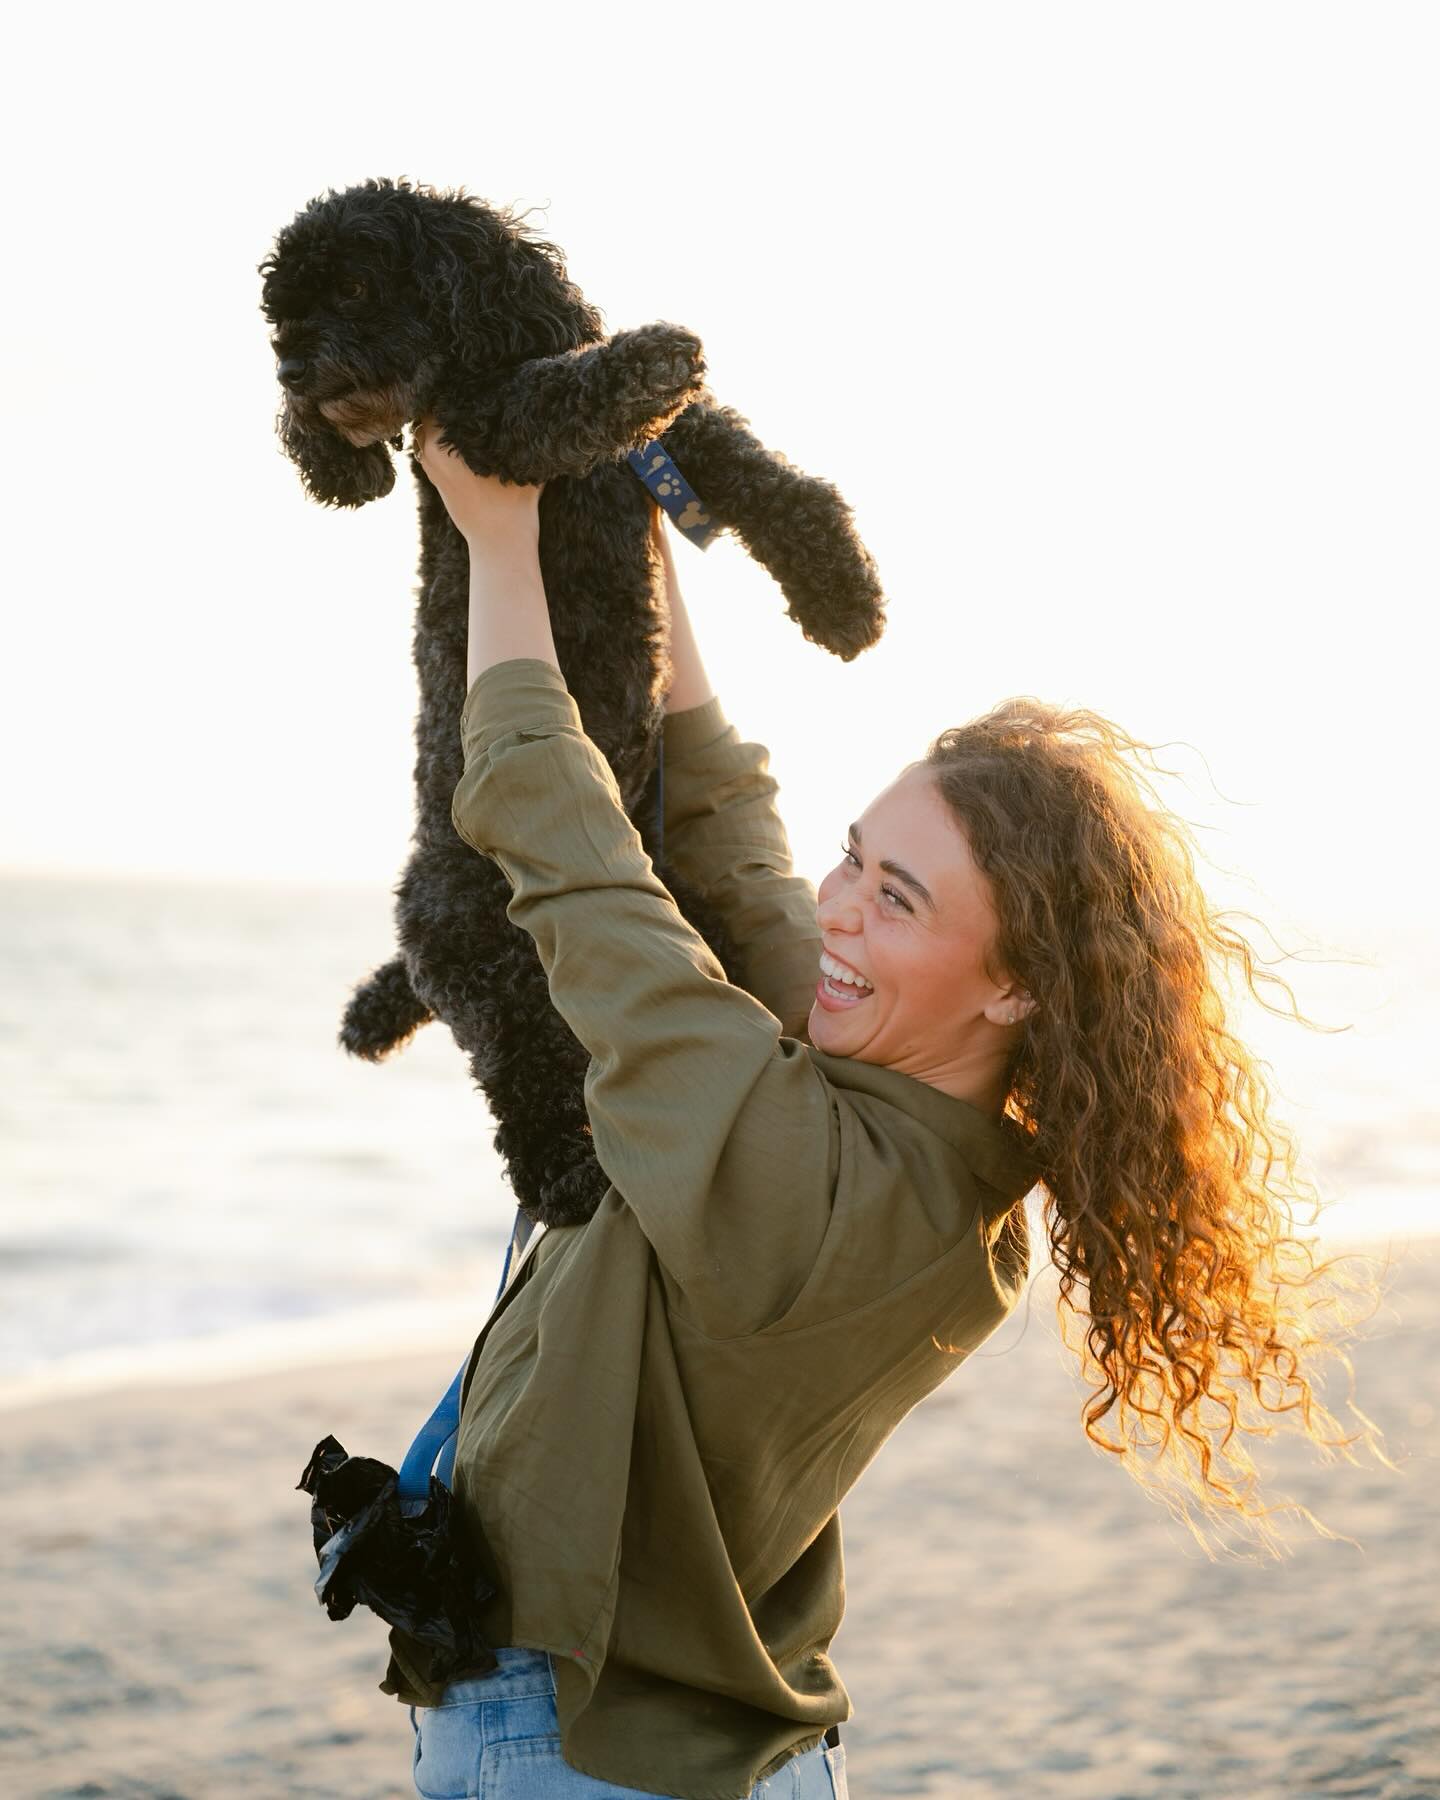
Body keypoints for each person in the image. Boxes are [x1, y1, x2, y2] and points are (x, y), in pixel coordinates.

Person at [391, 420, 1387, 1800]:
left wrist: (499, 542)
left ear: (1017, 991)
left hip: (583, 1753)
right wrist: (641, 545)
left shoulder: (816, 1182)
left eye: (896, 898)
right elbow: (728, 840)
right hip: (713, 1753)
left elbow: (576, 869)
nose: (839, 909)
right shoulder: (930, 1137)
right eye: (857, 860)